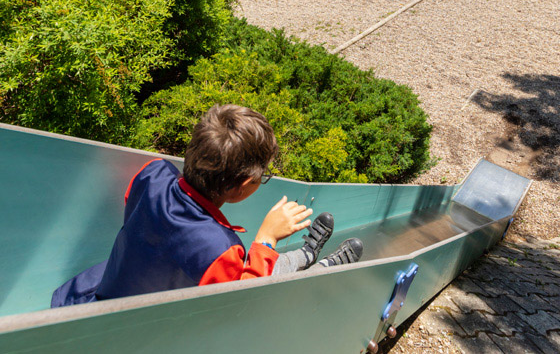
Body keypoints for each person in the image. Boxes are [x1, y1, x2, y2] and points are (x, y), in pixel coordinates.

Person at [51, 104, 363, 307]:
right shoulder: (219, 251)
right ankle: (318, 266)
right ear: (242, 188)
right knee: (265, 272)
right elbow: (238, 299)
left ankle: (306, 255)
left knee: (258, 264)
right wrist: (266, 238)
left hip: (98, 296)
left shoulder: (151, 174)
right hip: (145, 328)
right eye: (262, 178)